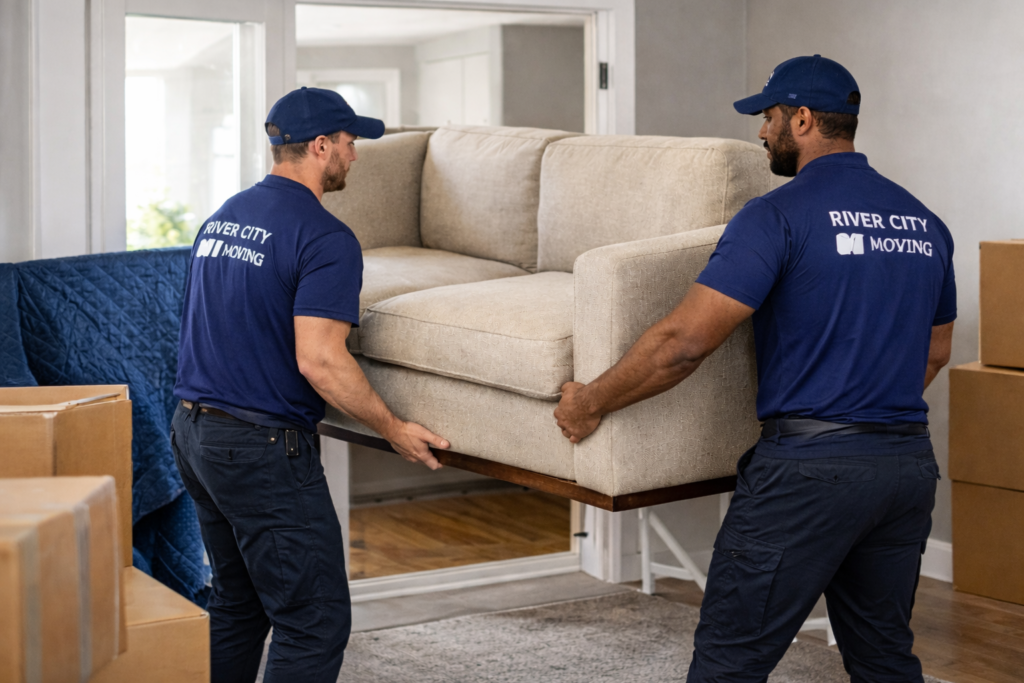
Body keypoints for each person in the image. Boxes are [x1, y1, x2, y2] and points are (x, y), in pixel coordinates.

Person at [554, 55, 955, 682]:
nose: (762, 132)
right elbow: (934, 352)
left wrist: (590, 401)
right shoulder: (925, 224)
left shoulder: (777, 216)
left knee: (730, 660)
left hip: (808, 473)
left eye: (768, 118)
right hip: (905, 471)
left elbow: (683, 342)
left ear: (801, 119)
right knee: (882, 657)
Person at [171, 87, 450, 683]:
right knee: (314, 620)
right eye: (350, 143)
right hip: (259, 448)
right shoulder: (325, 238)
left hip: (194, 433)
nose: (356, 155)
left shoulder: (224, 217)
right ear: (321, 147)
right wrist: (394, 428)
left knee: (238, 604)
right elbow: (320, 361)